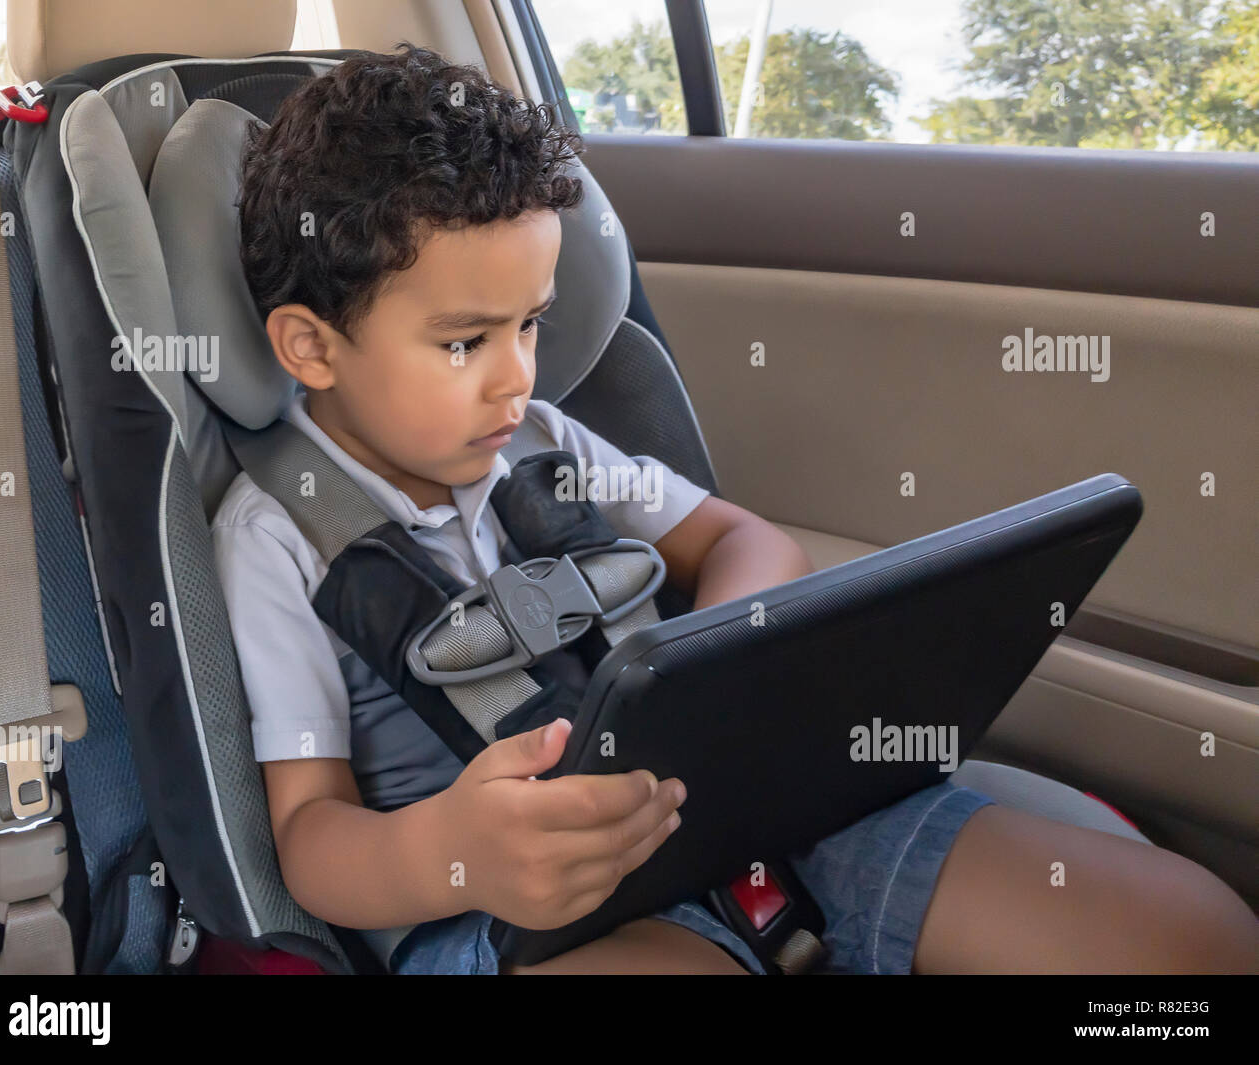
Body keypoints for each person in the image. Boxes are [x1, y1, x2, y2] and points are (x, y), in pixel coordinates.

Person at [213, 43, 1259, 974]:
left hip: (753, 813)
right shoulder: (279, 538)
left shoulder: (546, 443)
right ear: (310, 347)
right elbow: (309, 835)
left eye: (530, 323)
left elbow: (744, 541)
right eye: (465, 341)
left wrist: (723, 677)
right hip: (525, 915)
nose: (516, 378)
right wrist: (453, 851)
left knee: (1193, 934)